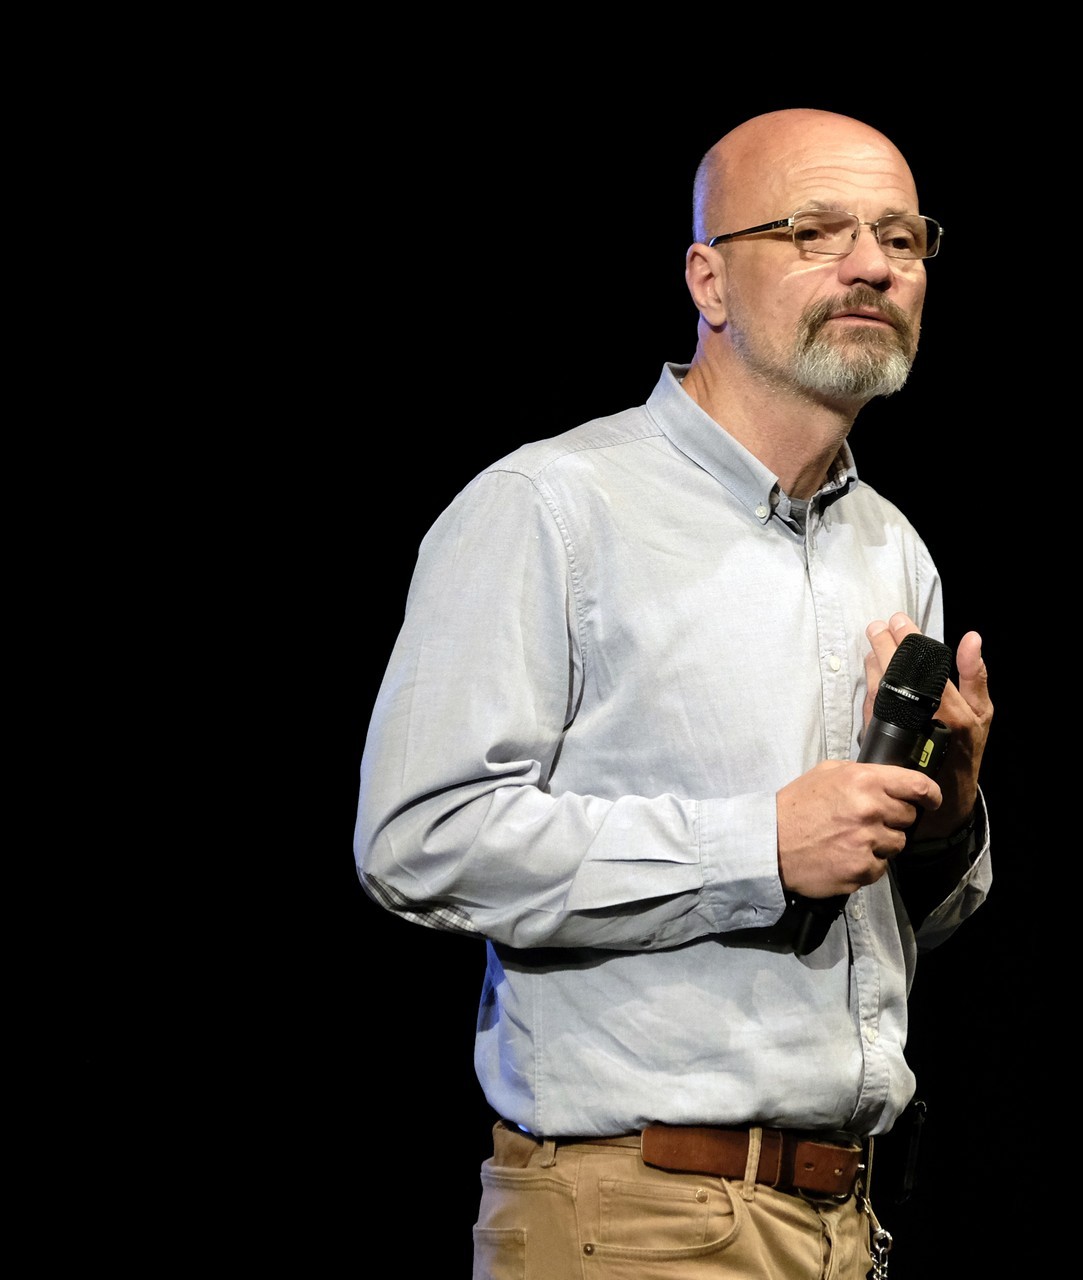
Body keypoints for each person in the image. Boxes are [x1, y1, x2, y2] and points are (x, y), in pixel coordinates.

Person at [352, 107, 994, 1279]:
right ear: (709, 279)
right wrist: (756, 844)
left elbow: (895, 922)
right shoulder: (552, 508)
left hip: (844, 1217)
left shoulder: (892, 548)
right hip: (635, 1215)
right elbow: (419, 838)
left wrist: (946, 821)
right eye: (815, 230)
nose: (870, 264)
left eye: (901, 237)